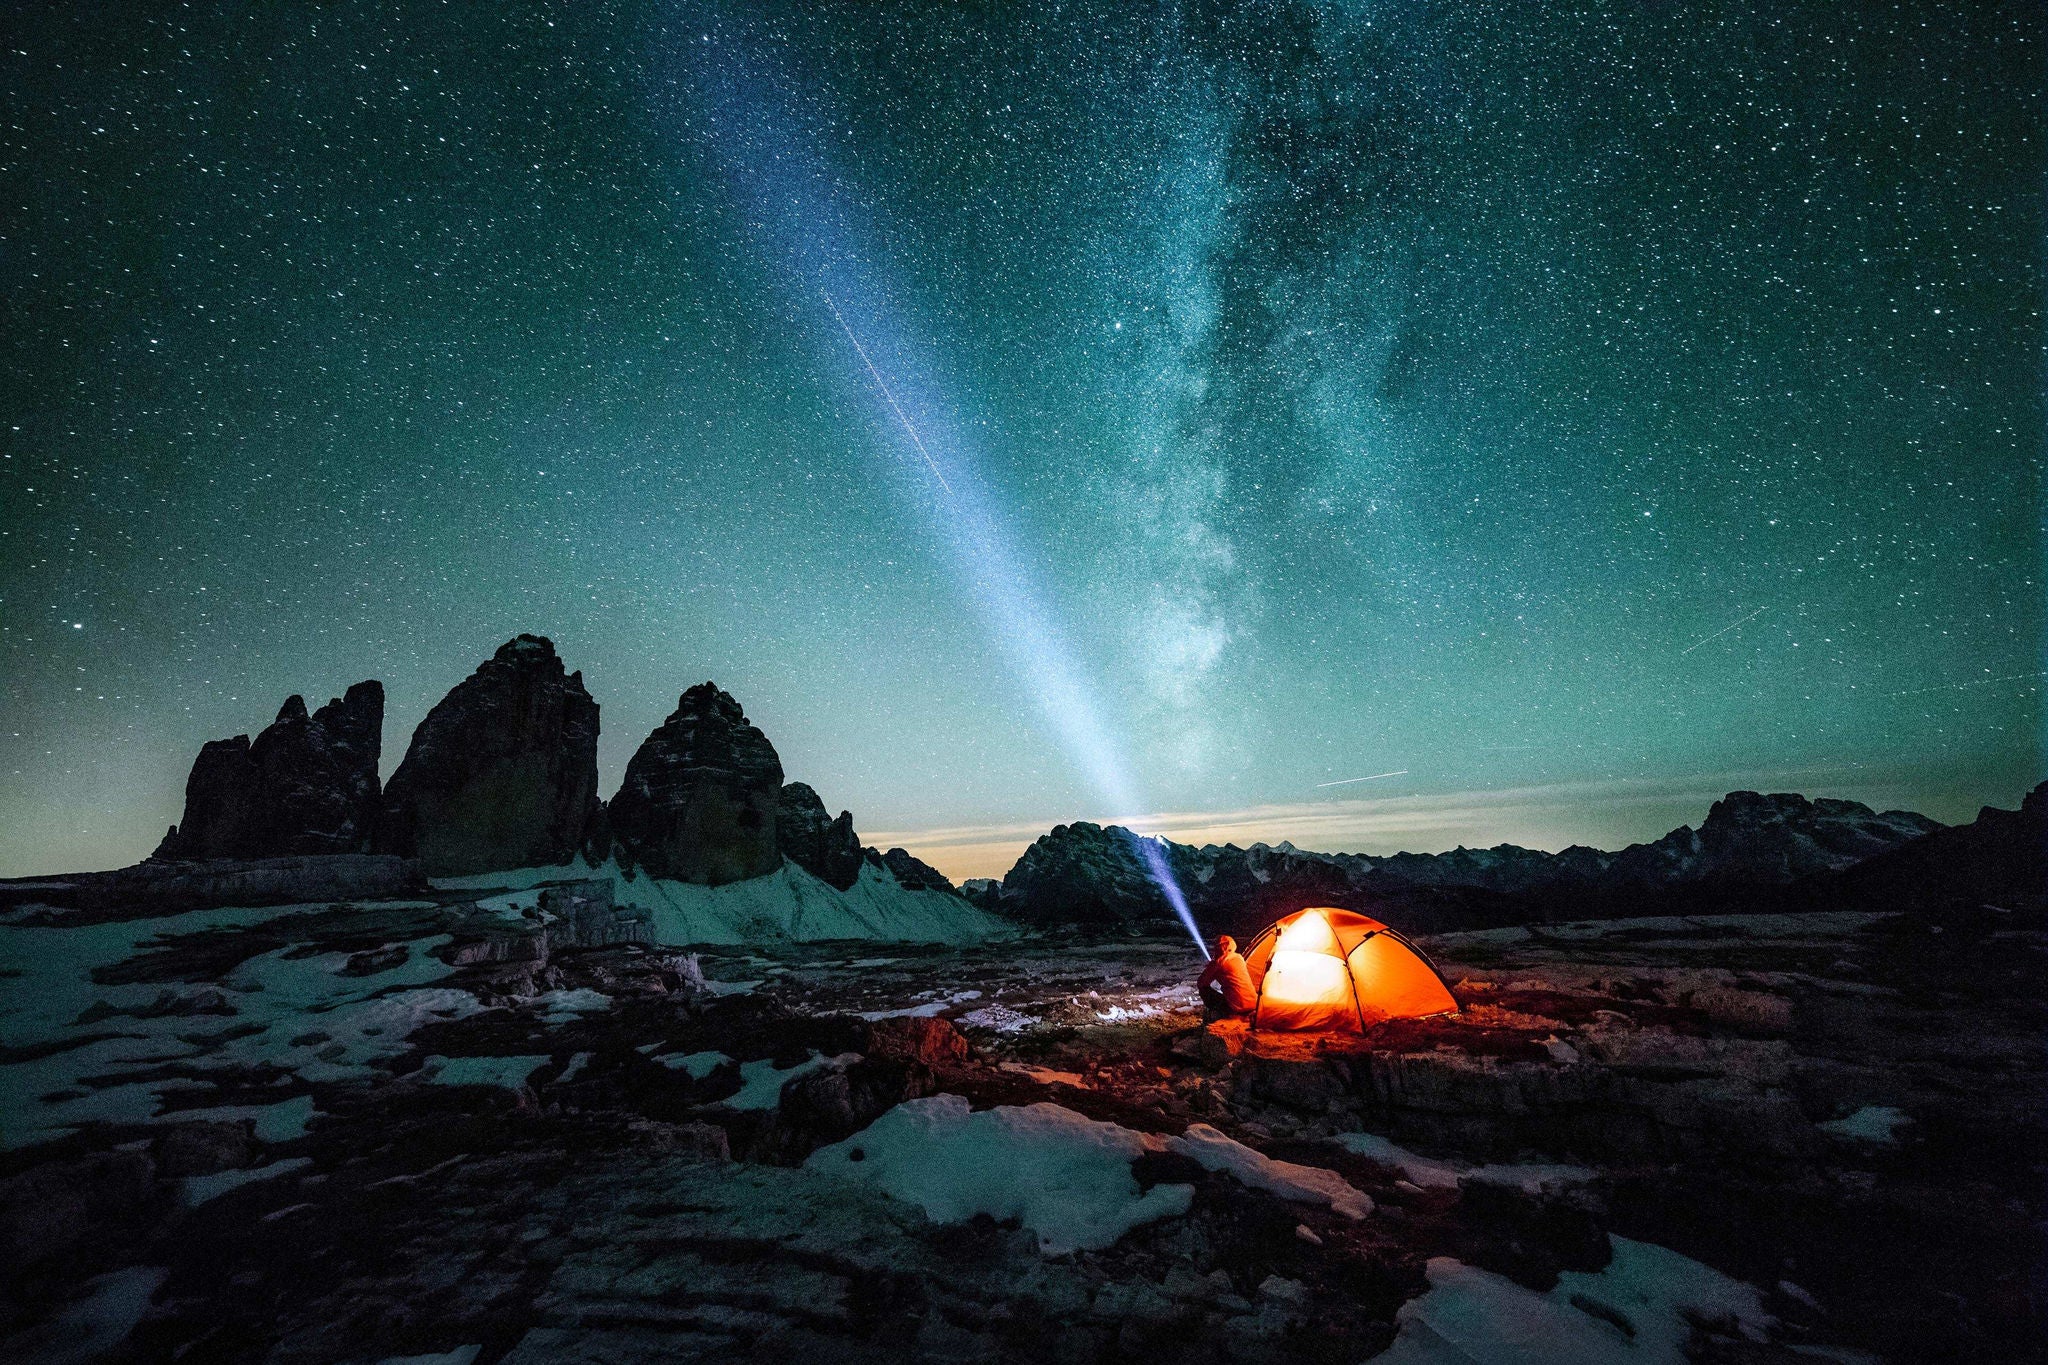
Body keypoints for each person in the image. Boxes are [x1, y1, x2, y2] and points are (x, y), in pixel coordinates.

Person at [1196, 934, 1256, 1021]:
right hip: (1253, 1003)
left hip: (1237, 1007)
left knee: (1204, 990)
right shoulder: (1239, 957)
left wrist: (1210, 967)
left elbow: (1201, 982)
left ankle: (1219, 1014)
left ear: (1218, 948)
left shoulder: (1218, 963)